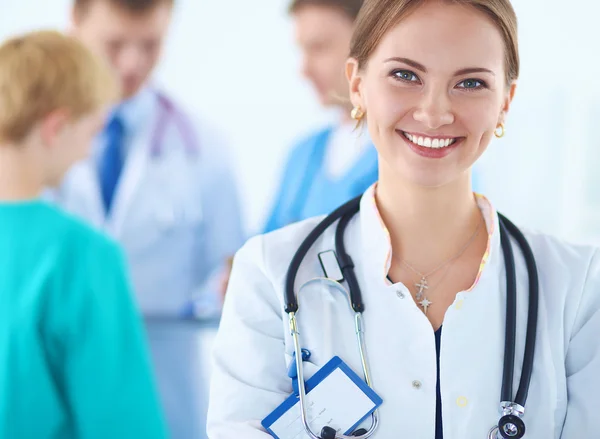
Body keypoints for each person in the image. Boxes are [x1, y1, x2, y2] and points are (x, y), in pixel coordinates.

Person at [207, 0, 600, 438]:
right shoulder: (269, 274)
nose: (434, 113)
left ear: (505, 101)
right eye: (405, 75)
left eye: (470, 82)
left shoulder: (579, 287)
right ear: (357, 85)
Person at [53, 0, 245, 437]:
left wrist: (225, 290)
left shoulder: (207, 148)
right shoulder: (24, 142)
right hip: (58, 383)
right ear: (75, 24)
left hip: (164, 388)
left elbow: (235, 282)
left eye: (151, 45)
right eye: (115, 43)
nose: (132, 62)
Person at [0, 30, 167, 439]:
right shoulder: (81, 254)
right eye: (90, 133)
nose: (88, 153)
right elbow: (124, 427)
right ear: (56, 127)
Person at [263, 0, 378, 233]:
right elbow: (257, 258)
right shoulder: (302, 156)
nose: (304, 70)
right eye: (303, 50)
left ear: (372, 42)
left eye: (319, 47)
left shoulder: (411, 152)